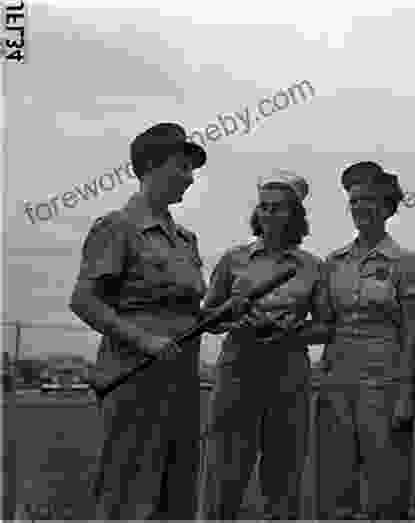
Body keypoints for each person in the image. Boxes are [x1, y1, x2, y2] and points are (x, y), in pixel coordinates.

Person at [69, 122, 208, 520]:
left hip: (181, 377)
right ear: (152, 166)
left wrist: (223, 313)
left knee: (176, 484)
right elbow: (83, 300)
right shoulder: (117, 227)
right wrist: (142, 340)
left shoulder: (186, 239)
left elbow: (186, 310)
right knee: (125, 484)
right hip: (134, 375)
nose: (190, 177)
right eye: (182, 167)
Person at [197, 170, 329, 521]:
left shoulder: (313, 266)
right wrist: (233, 317)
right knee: (225, 465)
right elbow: (205, 319)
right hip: (238, 364)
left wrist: (295, 333)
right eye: (265, 207)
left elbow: (327, 325)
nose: (270, 214)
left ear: (295, 215)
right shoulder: (233, 260)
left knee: (284, 468)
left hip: (289, 369)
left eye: (280, 208)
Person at [316, 161, 415, 520]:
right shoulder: (333, 262)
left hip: (385, 384)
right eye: (354, 200)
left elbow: (413, 331)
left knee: (387, 486)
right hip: (336, 382)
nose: (360, 207)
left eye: (369, 200)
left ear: (389, 207)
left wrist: (407, 392)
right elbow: (324, 325)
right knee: (334, 483)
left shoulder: (405, 262)